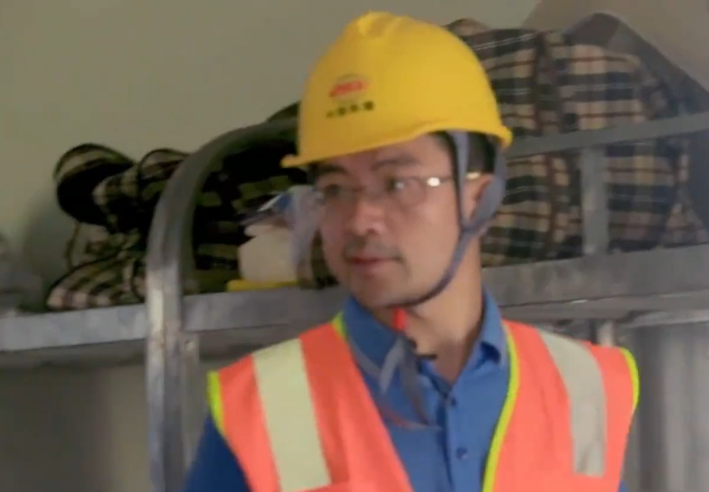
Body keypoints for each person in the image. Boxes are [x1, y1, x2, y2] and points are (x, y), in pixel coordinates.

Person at [182, 11, 639, 492]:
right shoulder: (263, 410)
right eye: (336, 189)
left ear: (479, 198)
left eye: (397, 183)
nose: (360, 219)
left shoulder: (584, 388)